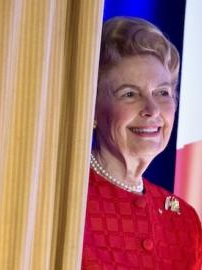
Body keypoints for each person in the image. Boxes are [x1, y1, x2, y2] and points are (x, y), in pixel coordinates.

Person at [83, 17, 202, 269]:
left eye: (162, 93)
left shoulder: (185, 221)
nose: (152, 109)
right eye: (129, 94)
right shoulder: (65, 196)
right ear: (92, 108)